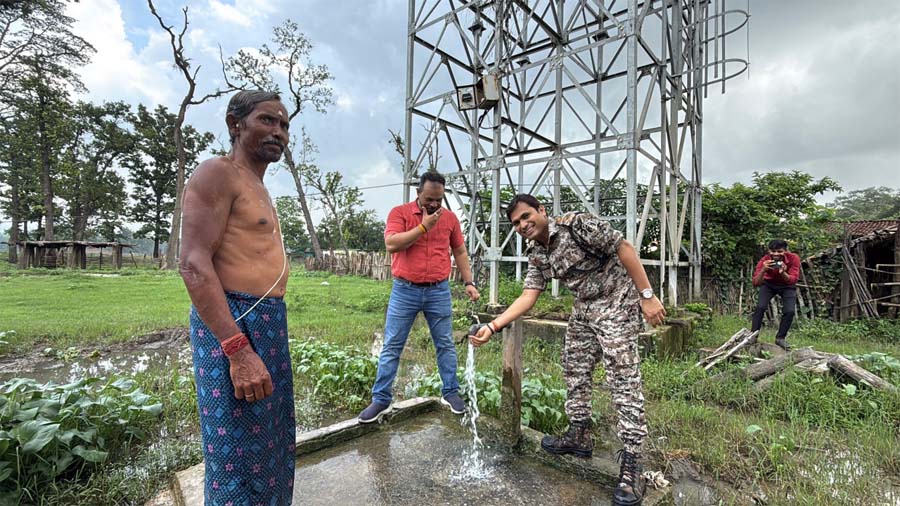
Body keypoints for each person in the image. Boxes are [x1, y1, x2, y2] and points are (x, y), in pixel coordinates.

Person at [469, 194, 666, 506]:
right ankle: (580, 434)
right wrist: (492, 326)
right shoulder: (537, 252)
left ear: (542, 211)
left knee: (623, 380)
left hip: (617, 303)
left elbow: (624, 248)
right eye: (516, 223)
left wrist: (647, 295)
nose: (522, 225)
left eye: (526, 216)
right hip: (584, 309)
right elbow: (528, 295)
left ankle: (632, 462)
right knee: (573, 367)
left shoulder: (577, 225)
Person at [179, 90, 296, 505]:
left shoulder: (257, 186)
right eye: (267, 120)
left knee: (270, 441)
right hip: (235, 323)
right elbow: (193, 263)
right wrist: (238, 350)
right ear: (235, 124)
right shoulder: (218, 173)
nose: (278, 132)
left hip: (267, 321)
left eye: (283, 125)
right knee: (235, 452)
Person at [358, 171, 480, 423]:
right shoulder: (399, 213)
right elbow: (392, 243)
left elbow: (459, 250)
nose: (434, 204)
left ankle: (450, 392)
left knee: (445, 343)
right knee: (392, 345)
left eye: (439, 199)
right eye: (429, 199)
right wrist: (424, 227)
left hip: (439, 290)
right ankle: (380, 399)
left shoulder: (450, 219)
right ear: (418, 193)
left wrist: (469, 282)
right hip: (405, 290)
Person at [750, 239, 801, 350]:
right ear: (769, 251)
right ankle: (753, 336)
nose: (776, 254)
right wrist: (763, 270)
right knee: (760, 307)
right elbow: (755, 282)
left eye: (779, 251)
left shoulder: (794, 258)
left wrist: (783, 273)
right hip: (769, 284)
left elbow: (792, 280)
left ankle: (780, 338)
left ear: (785, 251)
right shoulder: (765, 260)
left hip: (787, 286)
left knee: (790, 311)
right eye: (773, 251)